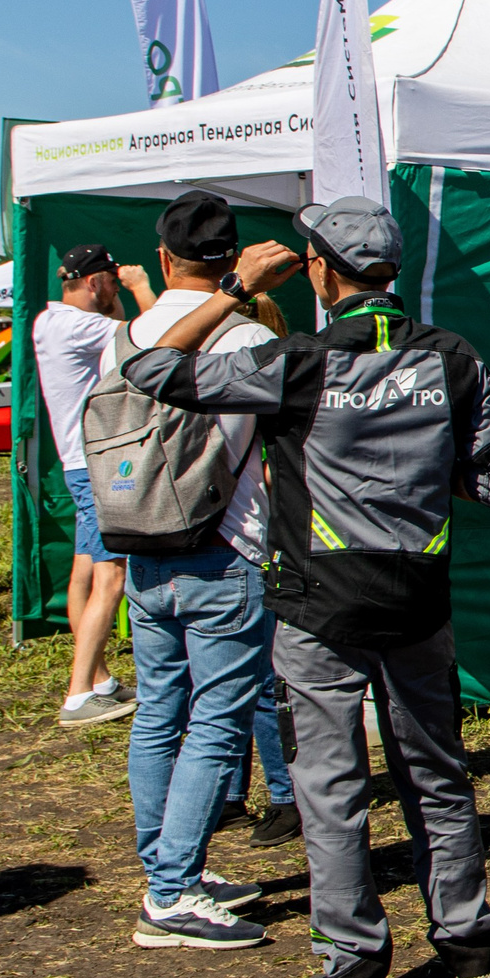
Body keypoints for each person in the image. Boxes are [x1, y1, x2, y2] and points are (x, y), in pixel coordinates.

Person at [121, 194, 490, 978]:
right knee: (437, 773)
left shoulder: (294, 361)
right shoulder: (455, 358)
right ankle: (469, 943)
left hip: (318, 606)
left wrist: (233, 290)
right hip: (419, 597)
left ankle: (352, 967)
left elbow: (151, 369)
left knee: (332, 786)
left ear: (321, 272)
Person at [98, 196, 283, 952]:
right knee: (217, 720)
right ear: (232, 257)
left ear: (164, 258)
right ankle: (172, 892)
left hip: (142, 542)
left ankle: (171, 870)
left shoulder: (129, 335)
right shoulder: (250, 336)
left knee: (158, 712)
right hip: (225, 545)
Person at [32, 243, 150, 726]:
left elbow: (116, 330)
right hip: (97, 466)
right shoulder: (81, 326)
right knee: (112, 576)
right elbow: (155, 335)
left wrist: (113, 296)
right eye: (110, 282)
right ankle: (79, 693)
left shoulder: (51, 321)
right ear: (96, 282)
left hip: (76, 463)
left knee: (84, 569)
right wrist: (139, 288)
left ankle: (97, 679)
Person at [220, 292, 301, 850]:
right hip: (257, 539)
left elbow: (279, 470)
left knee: (260, 682)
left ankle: (284, 795)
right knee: (244, 682)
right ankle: (239, 792)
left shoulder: (265, 381)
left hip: (260, 542)